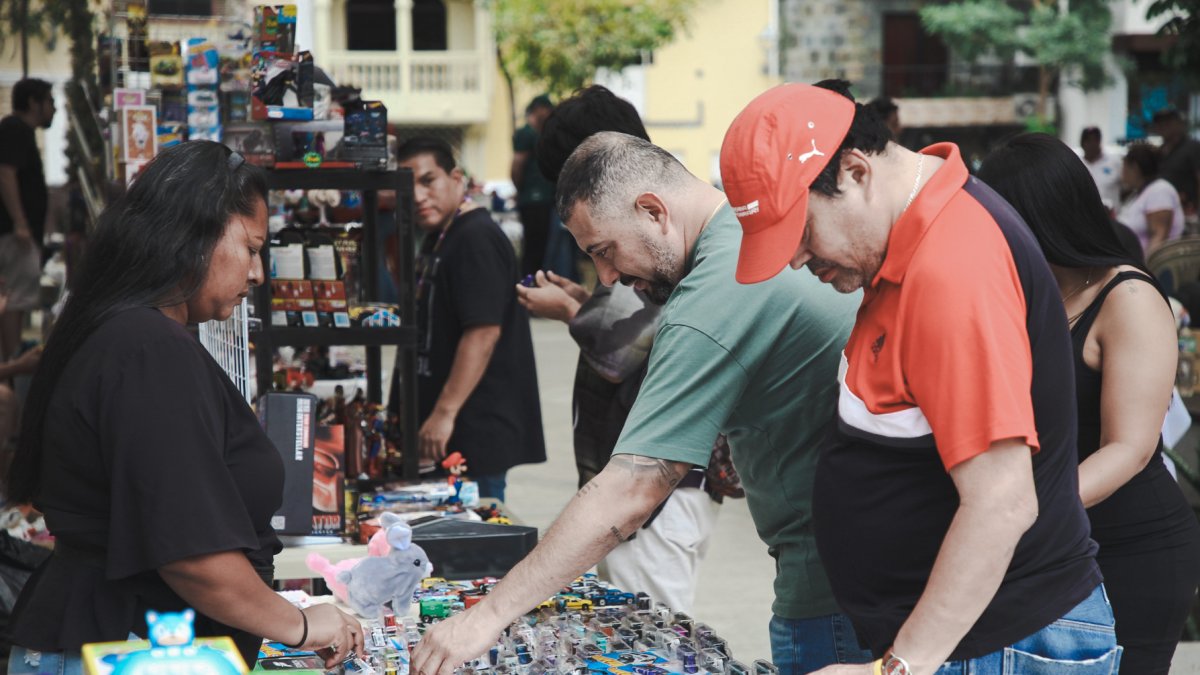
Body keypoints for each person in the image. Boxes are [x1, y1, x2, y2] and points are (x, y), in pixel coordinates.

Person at [413, 131, 868, 675]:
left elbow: (632, 487)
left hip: (834, 588)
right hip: (850, 568)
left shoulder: (715, 291)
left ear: (653, 211)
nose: (608, 277)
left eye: (604, 251)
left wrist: (486, 617)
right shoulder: (744, 236)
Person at [720, 81, 1114, 674]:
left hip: (997, 641)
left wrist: (898, 667)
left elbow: (1002, 501)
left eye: (801, 232)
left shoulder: (951, 265)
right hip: (969, 640)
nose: (796, 259)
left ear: (856, 172)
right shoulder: (904, 242)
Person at [2, 141, 363, 674]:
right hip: (125, 648)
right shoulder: (149, 348)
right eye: (251, 248)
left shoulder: (133, 335)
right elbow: (192, 555)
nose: (259, 273)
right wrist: (301, 624)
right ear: (194, 233)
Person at [978, 133, 1200, 675]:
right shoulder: (1020, 293)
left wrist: (1023, 510)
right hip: (1048, 542)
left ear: (1042, 217)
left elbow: (1129, 448)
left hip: (1131, 545)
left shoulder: (1128, 297)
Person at [517, 84, 727, 614]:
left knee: (653, 636)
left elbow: (622, 350)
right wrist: (585, 301)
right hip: (653, 492)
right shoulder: (663, 236)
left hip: (657, 497)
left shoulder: (674, 252)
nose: (609, 274)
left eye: (603, 251)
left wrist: (571, 312)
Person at [398, 137, 544, 502]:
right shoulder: (441, 235)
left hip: (473, 433)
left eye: (428, 181)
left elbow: (483, 333)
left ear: (456, 178)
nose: (417, 196)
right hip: (449, 433)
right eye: (406, 186)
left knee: (477, 534)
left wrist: (443, 414)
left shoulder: (475, 237)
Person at [0, 79, 55, 362]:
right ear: (34, 102)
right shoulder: (15, 129)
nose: (54, 109)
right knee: (15, 299)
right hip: (14, 235)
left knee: (15, 298)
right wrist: (20, 223)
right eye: (50, 101)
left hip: (18, 232)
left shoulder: (20, 132)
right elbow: (6, 173)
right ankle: (12, 364)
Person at [512, 95, 557, 277]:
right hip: (534, 200)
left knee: (541, 249)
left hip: (542, 199)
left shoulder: (541, 133)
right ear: (538, 109)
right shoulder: (527, 133)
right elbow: (517, 166)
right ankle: (530, 281)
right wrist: (521, 189)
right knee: (533, 248)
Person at [1116, 143, 1184, 258]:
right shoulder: (1138, 193)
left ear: (1134, 168)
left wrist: (1146, 267)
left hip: (1149, 265)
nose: (1122, 173)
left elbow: (1159, 236)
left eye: (1124, 166)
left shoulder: (1159, 191)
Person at [1152, 108, 1200, 222]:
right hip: (1161, 210)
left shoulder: (1193, 148)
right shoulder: (1159, 152)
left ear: (1179, 124)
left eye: (1168, 122)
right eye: (1160, 123)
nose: (1163, 126)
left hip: (1187, 212)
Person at [1078, 126, 1122, 212]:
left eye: (1095, 140)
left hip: (1110, 217)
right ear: (1082, 143)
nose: (1092, 144)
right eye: (1088, 140)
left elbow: (1127, 187)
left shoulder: (1114, 162)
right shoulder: (1077, 164)